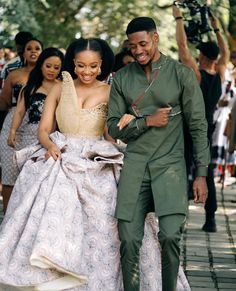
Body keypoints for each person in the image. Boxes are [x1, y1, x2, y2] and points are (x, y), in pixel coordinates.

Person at [0, 38, 191, 291]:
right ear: (74, 64)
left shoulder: (111, 91)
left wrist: (129, 128)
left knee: (106, 226)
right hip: (60, 155)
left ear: (101, 66)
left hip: (97, 157)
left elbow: (112, 134)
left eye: (92, 66)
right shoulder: (58, 88)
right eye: (80, 66)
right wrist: (51, 146)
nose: (86, 72)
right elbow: (44, 130)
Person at [107, 16, 209, 291]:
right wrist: (145, 121)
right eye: (132, 46)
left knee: (170, 236)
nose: (138, 51)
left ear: (155, 38)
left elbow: (199, 127)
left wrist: (201, 174)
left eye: (143, 43)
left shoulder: (181, 75)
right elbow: (112, 127)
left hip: (171, 166)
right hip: (135, 165)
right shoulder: (122, 79)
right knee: (128, 239)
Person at [173, 4, 229, 232]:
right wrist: (216, 29)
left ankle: (179, 218)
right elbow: (224, 54)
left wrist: (178, 20)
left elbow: (182, 46)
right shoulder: (221, 72)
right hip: (207, 128)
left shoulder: (197, 74)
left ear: (202, 56)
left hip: (188, 128)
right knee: (203, 171)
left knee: (183, 169)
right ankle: (211, 219)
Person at [0, 38, 43, 213]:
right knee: (9, 173)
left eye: (37, 48)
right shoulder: (14, 75)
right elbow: (3, 102)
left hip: (38, 125)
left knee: (33, 173)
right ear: (23, 53)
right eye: (29, 48)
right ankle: (8, 217)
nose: (33, 51)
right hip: (12, 124)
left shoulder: (49, 75)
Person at [7, 47, 64, 150]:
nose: (51, 70)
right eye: (48, 66)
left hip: (56, 138)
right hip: (30, 137)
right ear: (41, 65)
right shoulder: (30, 87)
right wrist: (13, 131)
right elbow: (20, 112)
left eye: (56, 68)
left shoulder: (64, 87)